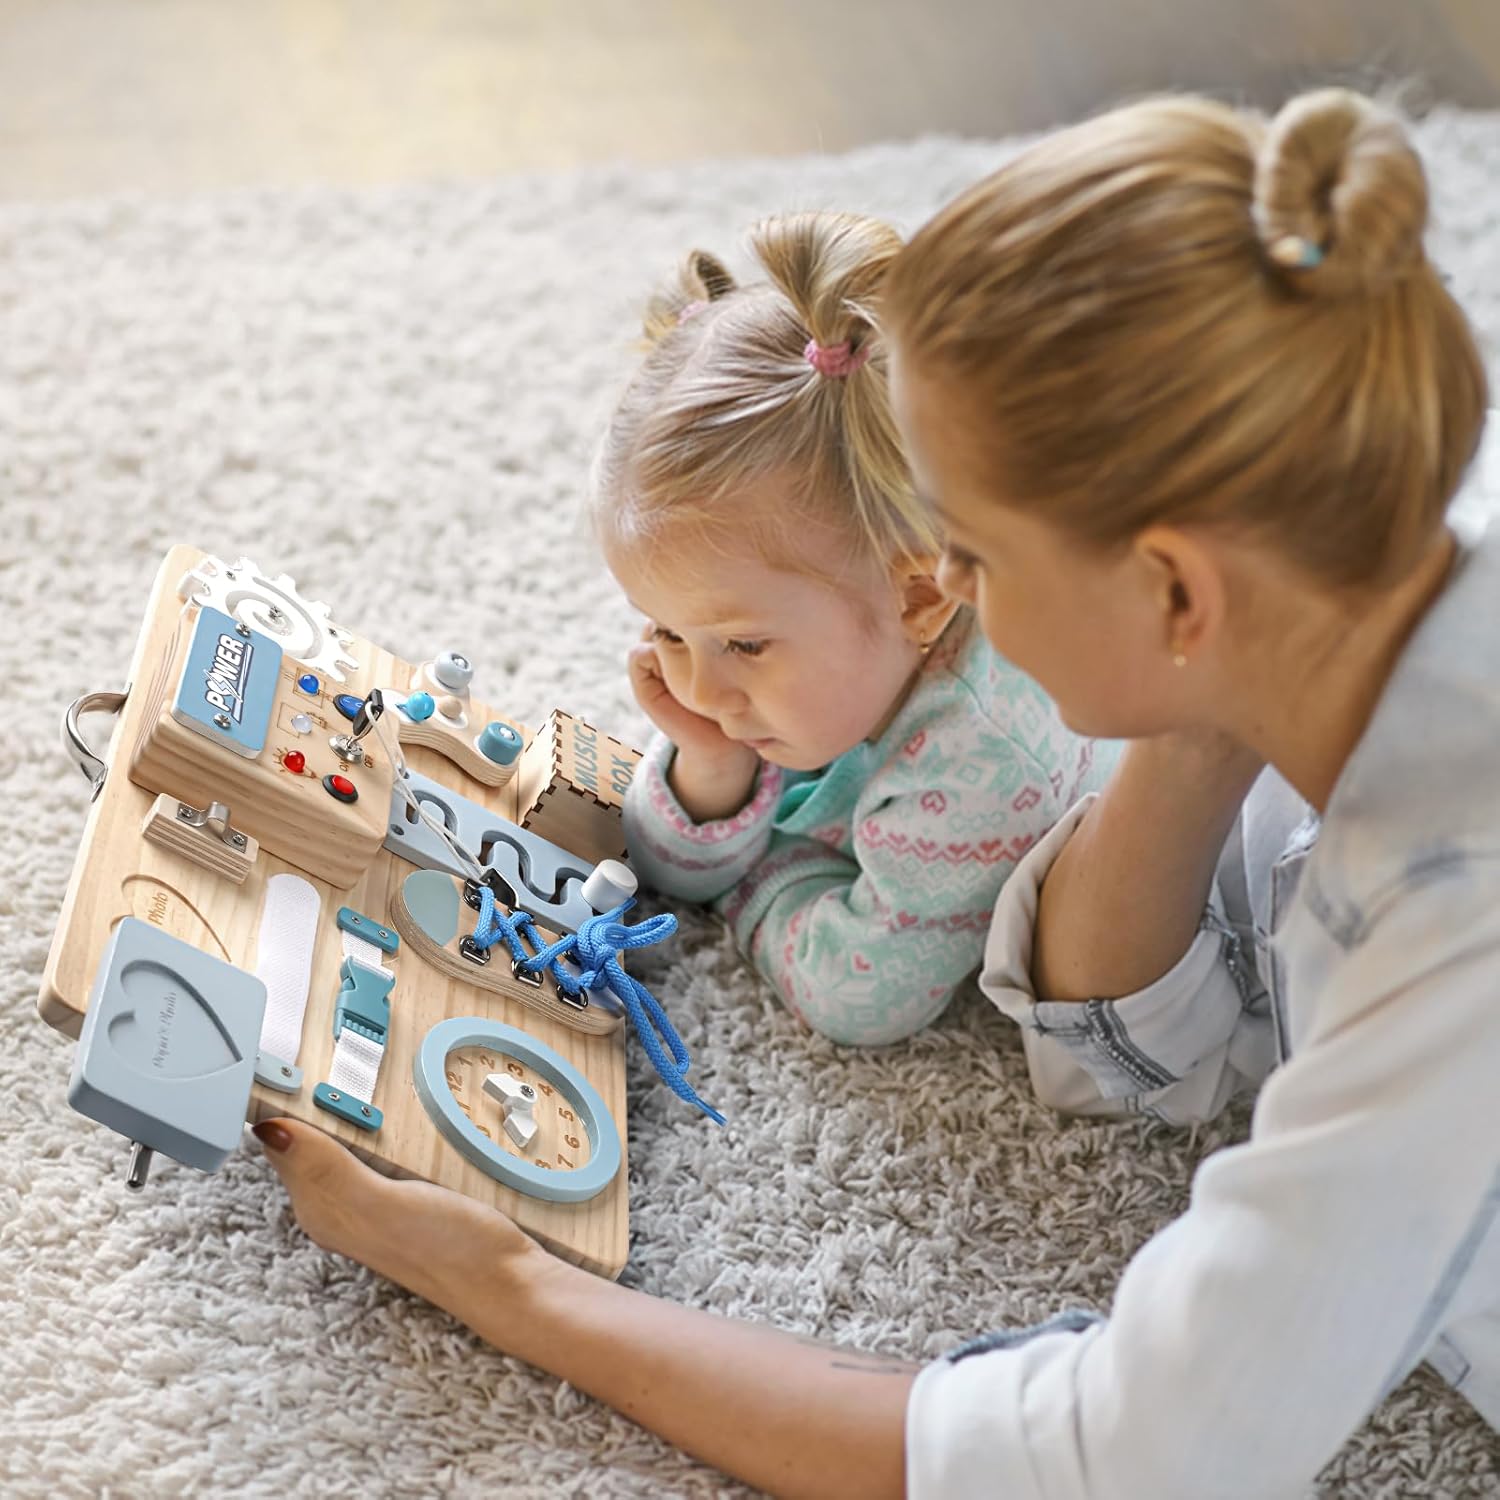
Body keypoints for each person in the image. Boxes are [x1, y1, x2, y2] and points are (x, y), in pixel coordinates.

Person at [254, 88, 1500, 1497]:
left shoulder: (1451, 932)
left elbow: (1116, 1460)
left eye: (970, 554)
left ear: (1173, 585)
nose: (949, 604)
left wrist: (515, 1291)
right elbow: (1146, 1053)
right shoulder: (1345, 538)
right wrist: (1206, 699)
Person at [600, 211, 1107, 1045]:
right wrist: (713, 765)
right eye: (663, 631)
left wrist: (759, 876)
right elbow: (657, 860)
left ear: (918, 601)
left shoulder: (977, 764)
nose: (694, 685)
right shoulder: (823, 652)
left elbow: (861, 998)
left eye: (744, 644)